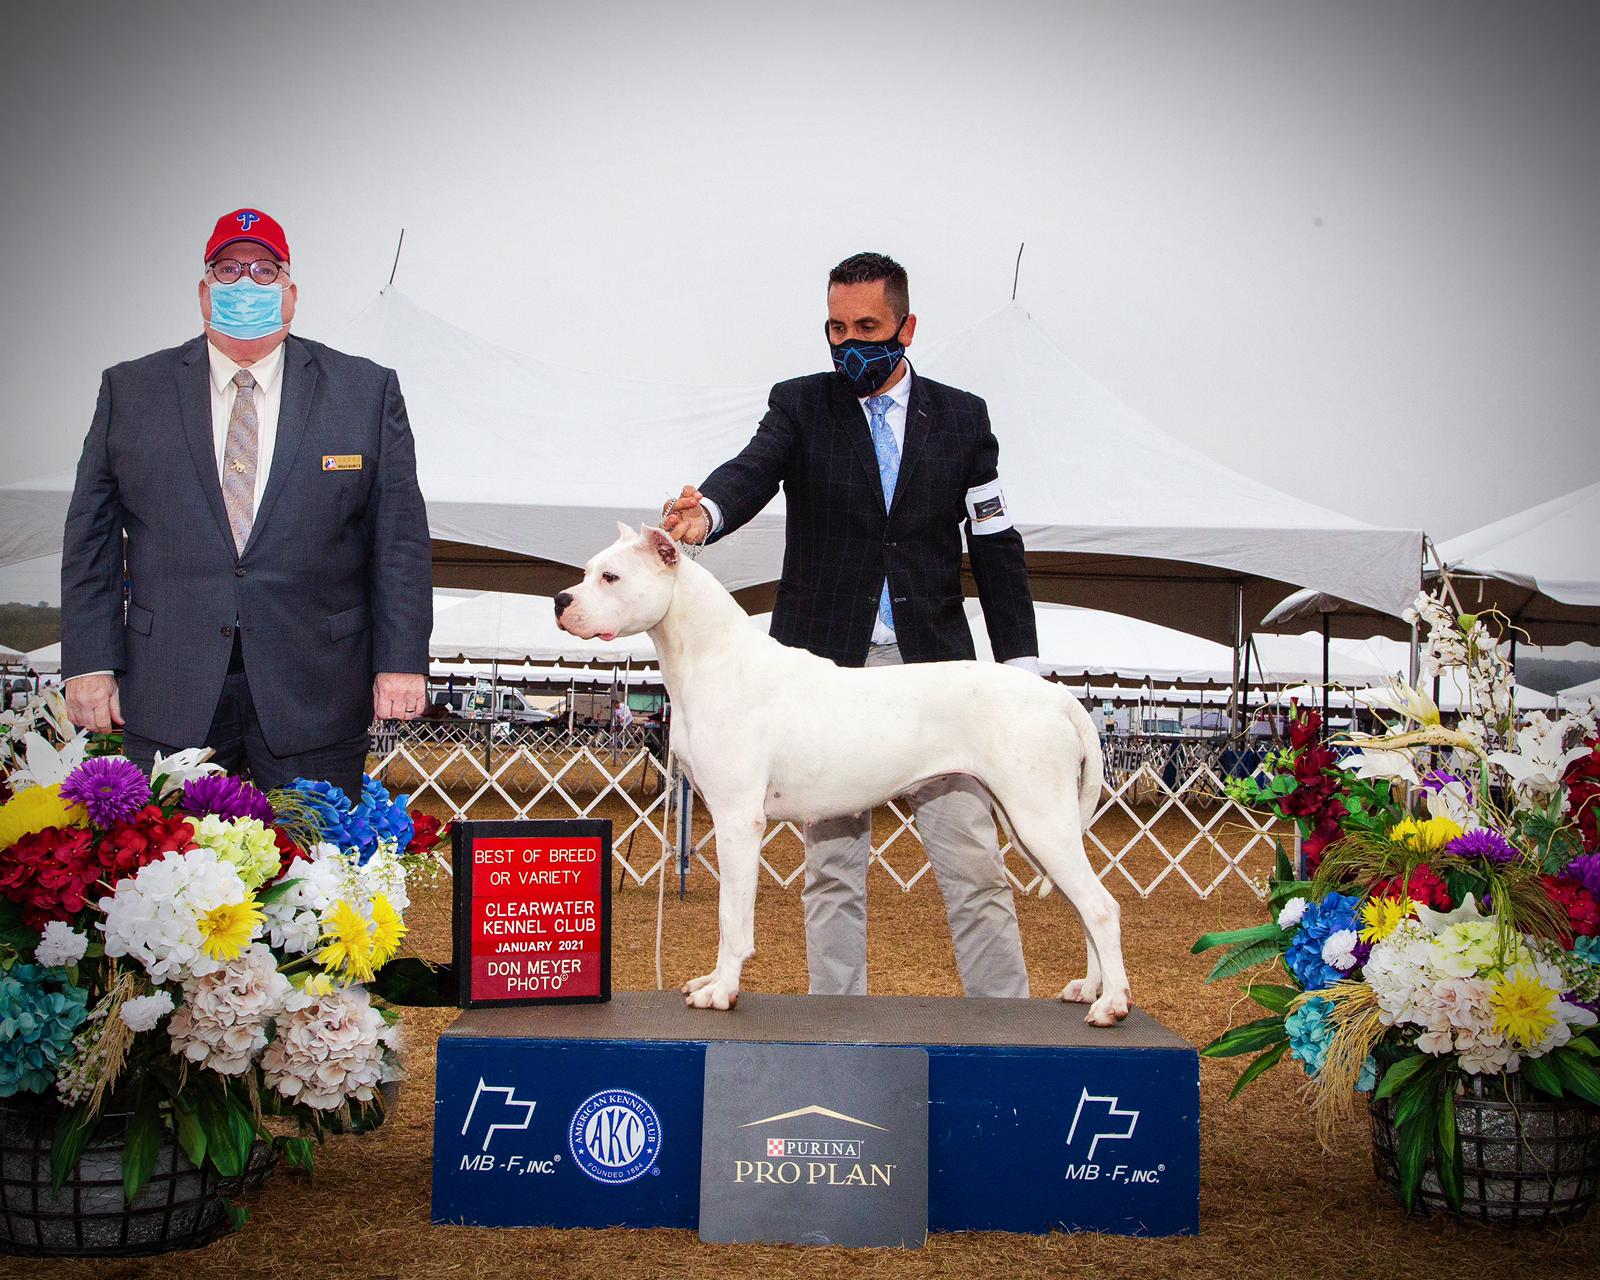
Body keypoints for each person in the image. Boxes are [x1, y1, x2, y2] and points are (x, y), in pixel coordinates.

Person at [663, 251, 1041, 998]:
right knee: (831, 873)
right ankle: (837, 1026)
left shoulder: (964, 417)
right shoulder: (800, 404)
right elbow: (753, 467)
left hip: (933, 672)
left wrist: (1020, 667)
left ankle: (1009, 1025)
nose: (849, 343)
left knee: (973, 866)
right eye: (836, 328)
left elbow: (994, 543)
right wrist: (703, 514)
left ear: (907, 326)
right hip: (820, 669)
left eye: (867, 326)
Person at [60, 208, 432, 797]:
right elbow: (90, 541)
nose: (246, 284)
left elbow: (400, 543)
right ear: (205, 293)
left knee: (316, 877)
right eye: (229, 270)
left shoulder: (365, 390)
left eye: (265, 271)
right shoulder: (131, 391)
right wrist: (88, 662)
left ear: (290, 293)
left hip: (318, 690)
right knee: (170, 884)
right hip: (167, 691)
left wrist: (402, 659)